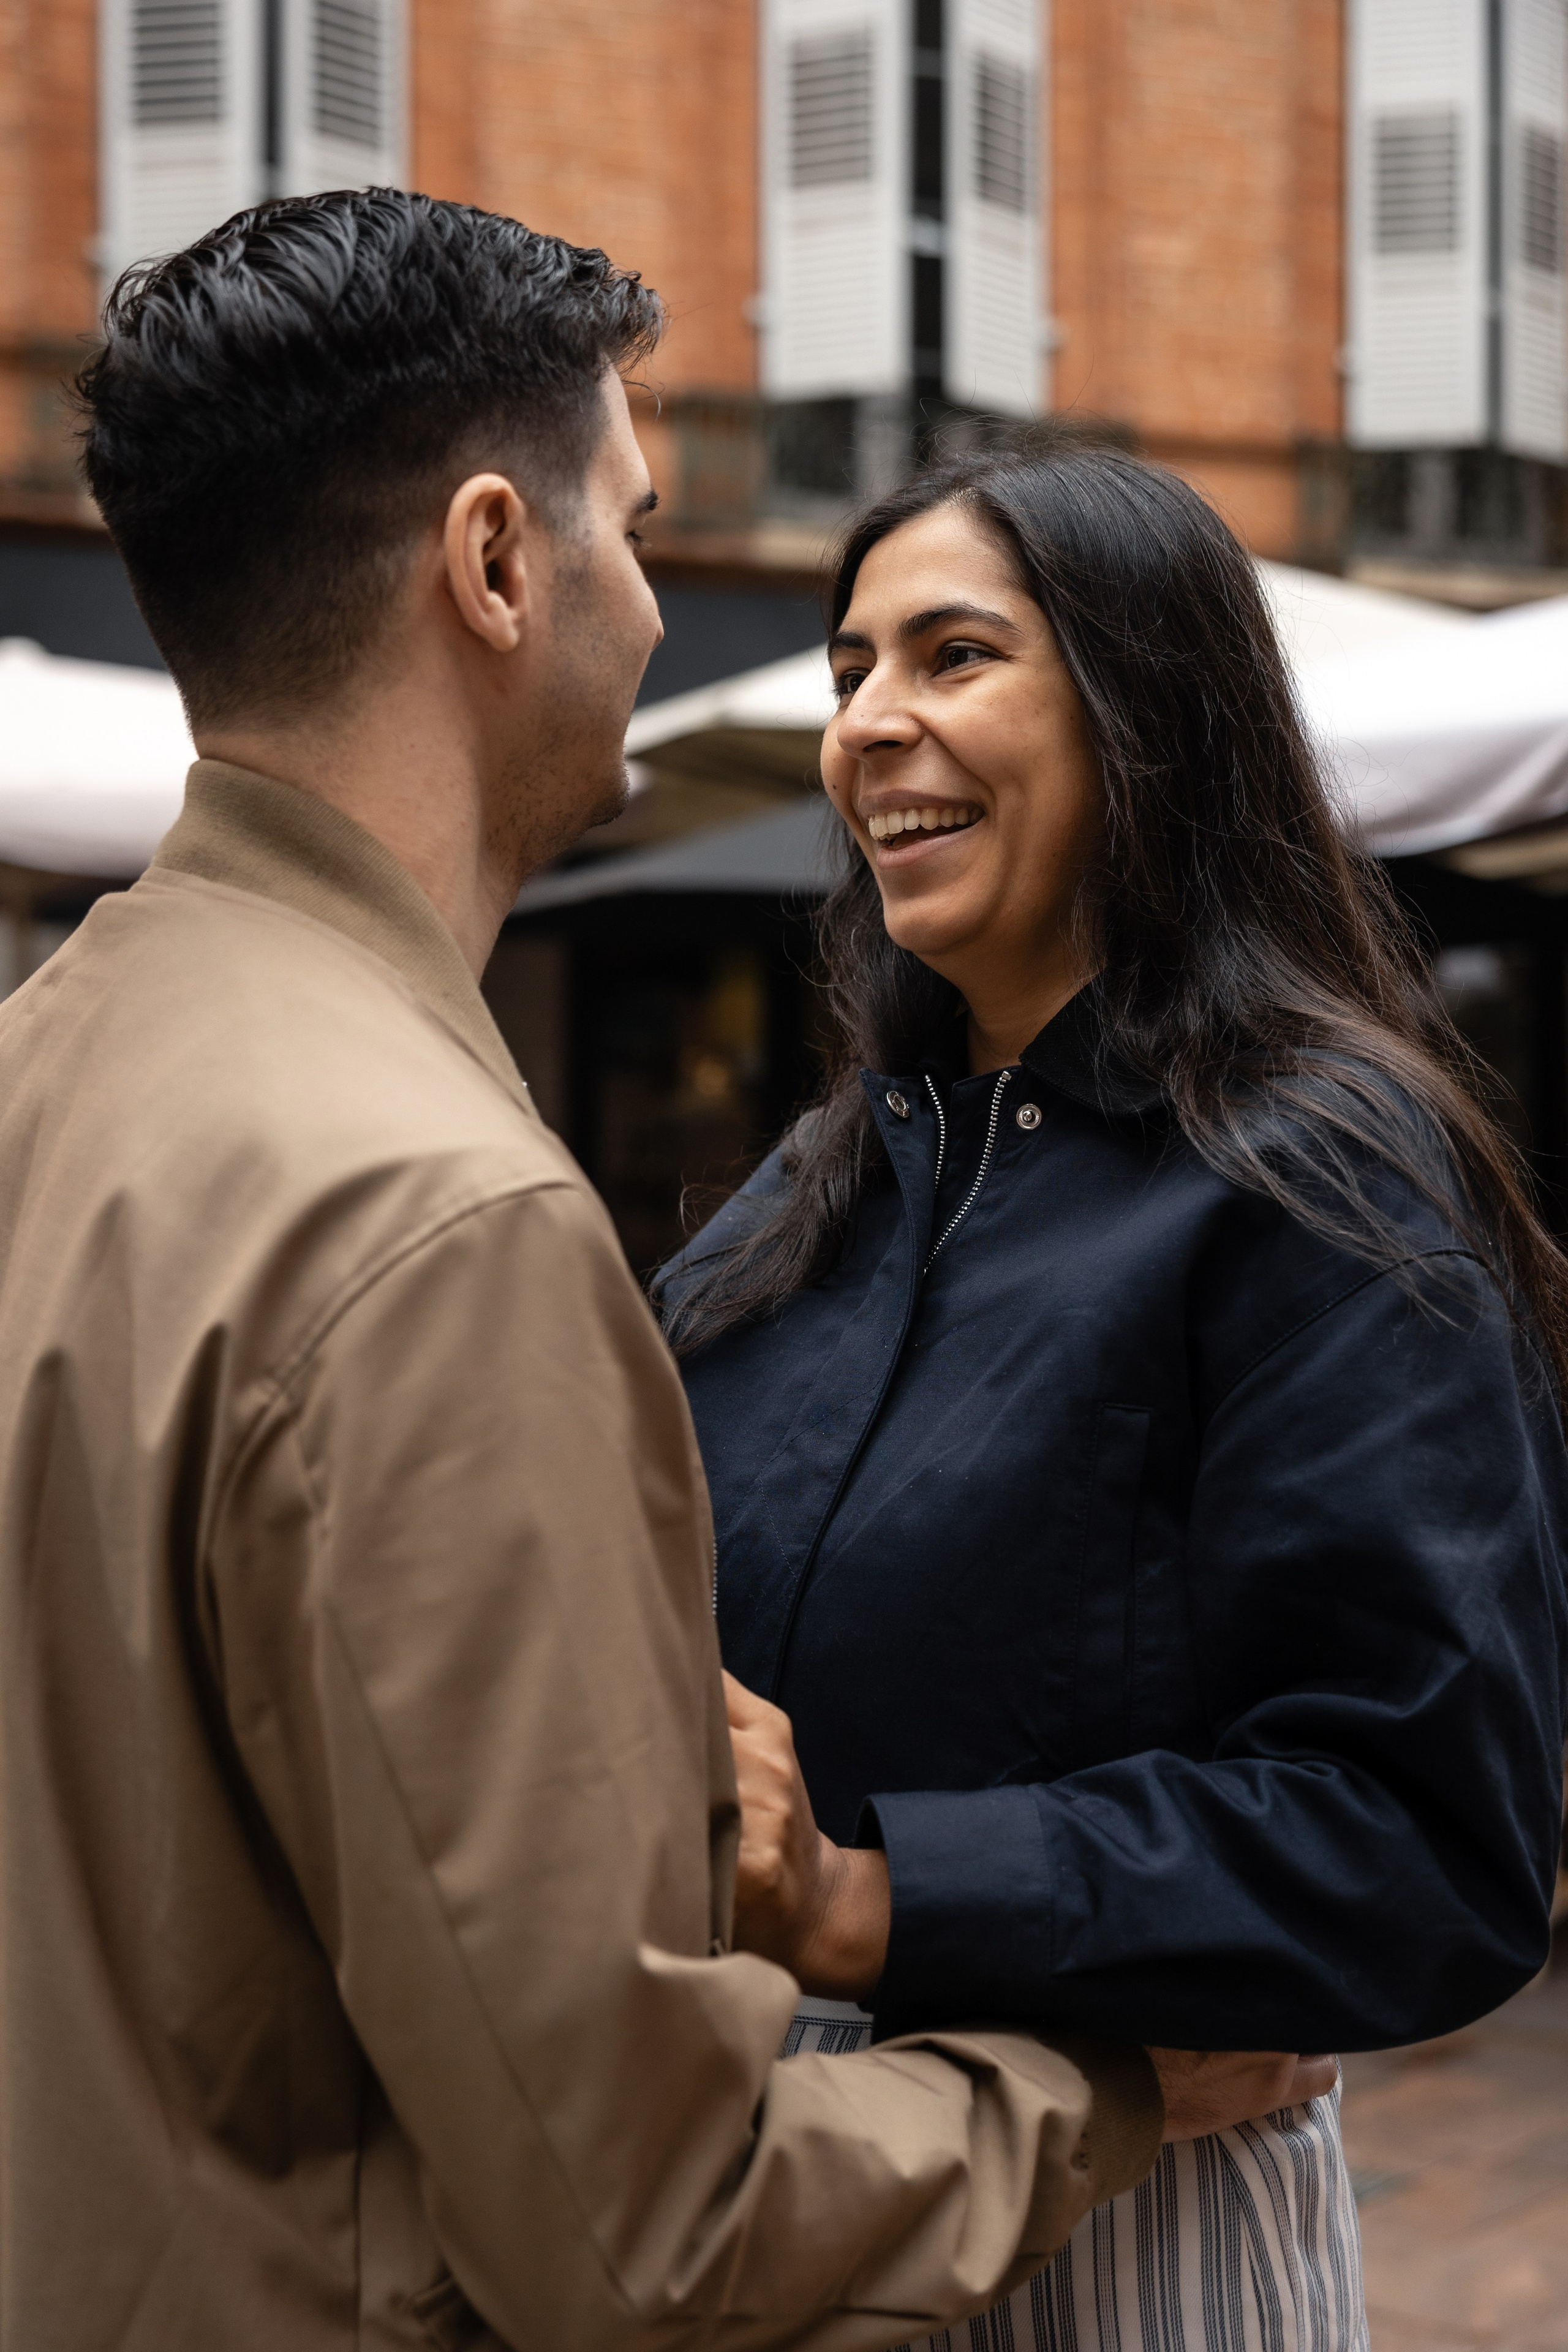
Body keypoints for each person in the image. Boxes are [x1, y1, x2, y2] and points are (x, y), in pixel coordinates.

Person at [0, 194, 1208, 2348]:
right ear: (492, 562)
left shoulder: (45, 1060)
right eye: (634, 532)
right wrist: (1102, 2088)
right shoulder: (443, 1226)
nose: (656, 609)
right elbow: (653, 2227)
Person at [657, 446, 1568, 2352]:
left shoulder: (1319, 1170)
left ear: (1146, 713)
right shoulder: (823, 1181)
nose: (867, 727)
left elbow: (1418, 1838)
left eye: (953, 654)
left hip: (1116, 2220)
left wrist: (864, 1896)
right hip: (777, 2185)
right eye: (845, 671)